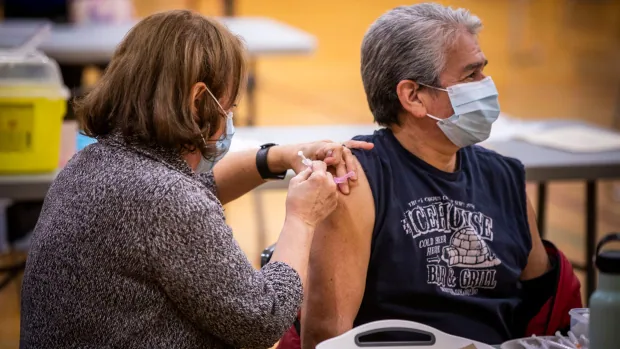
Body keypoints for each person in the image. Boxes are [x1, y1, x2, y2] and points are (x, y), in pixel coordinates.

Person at [19, 10, 373, 349]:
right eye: (229, 108)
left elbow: (199, 189)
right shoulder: (165, 199)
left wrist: (274, 158)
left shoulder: (94, 162)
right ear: (197, 100)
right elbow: (264, 319)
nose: (230, 118)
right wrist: (301, 218)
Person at [276, 3, 582, 348]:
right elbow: (326, 339)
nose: (487, 86)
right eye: (470, 76)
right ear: (413, 97)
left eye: (484, 71)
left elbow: (548, 314)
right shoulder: (355, 178)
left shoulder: (504, 177)